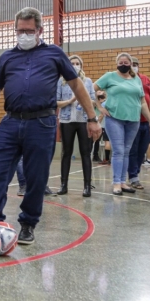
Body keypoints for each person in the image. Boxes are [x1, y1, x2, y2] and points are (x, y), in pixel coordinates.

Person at [0, 7, 101, 246]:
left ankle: (28, 225)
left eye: (28, 31)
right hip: (11, 122)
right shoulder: (7, 57)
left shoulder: (54, 54)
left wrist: (92, 118)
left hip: (42, 122)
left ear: (39, 31)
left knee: (36, 178)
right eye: (19, 30)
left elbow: (77, 85)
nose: (23, 35)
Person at [94, 53, 150, 196]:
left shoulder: (136, 79)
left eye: (127, 62)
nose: (124, 65)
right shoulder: (109, 76)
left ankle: (123, 182)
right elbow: (91, 89)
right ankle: (116, 183)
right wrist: (100, 107)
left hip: (133, 119)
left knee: (126, 151)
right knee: (118, 151)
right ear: (117, 63)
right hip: (114, 118)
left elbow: (143, 102)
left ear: (130, 64)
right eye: (121, 62)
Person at [56, 55, 96, 197]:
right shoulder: (61, 82)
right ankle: (63, 185)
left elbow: (93, 101)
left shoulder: (88, 81)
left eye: (77, 63)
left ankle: (87, 186)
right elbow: (56, 102)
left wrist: (83, 100)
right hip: (67, 120)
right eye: (71, 63)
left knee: (86, 153)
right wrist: (70, 100)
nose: (74, 65)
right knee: (66, 153)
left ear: (81, 65)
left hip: (83, 120)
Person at [127, 57, 150, 190]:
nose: (135, 67)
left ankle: (135, 173)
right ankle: (133, 176)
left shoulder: (146, 79)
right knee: (133, 150)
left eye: (136, 65)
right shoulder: (126, 79)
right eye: (133, 65)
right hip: (133, 120)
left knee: (142, 150)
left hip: (146, 120)